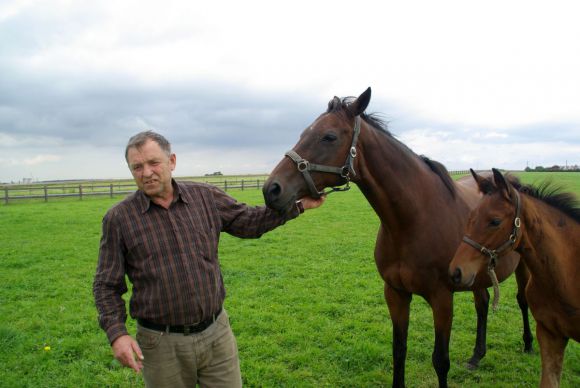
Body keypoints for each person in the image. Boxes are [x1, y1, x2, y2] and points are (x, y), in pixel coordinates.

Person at [93, 130, 324, 387]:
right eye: (137, 167)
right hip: (161, 344)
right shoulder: (119, 219)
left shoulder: (205, 197)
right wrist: (117, 334)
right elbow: (106, 284)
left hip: (217, 335)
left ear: (172, 162)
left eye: (153, 162)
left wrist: (298, 206)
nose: (146, 172)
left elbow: (249, 222)